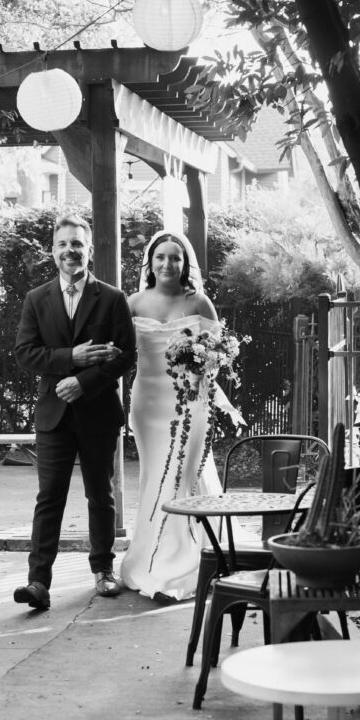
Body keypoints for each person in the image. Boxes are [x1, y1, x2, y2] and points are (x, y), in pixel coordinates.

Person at [13, 214, 136, 611]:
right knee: (49, 497)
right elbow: (25, 353)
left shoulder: (112, 298)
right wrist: (72, 358)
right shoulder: (36, 299)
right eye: (63, 244)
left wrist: (83, 382)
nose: (70, 251)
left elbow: (126, 356)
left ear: (89, 251)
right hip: (53, 415)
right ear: (53, 251)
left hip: (97, 410)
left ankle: (103, 570)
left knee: (100, 494)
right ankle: (38, 582)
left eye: (77, 245)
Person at [120, 230, 238, 604]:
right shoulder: (134, 303)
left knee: (182, 477)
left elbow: (221, 353)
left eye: (175, 257)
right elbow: (121, 353)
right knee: (155, 478)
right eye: (160, 257)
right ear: (150, 263)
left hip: (191, 404)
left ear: (186, 264)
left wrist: (203, 362)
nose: (167, 264)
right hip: (148, 405)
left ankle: (183, 565)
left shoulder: (199, 301)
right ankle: (149, 559)